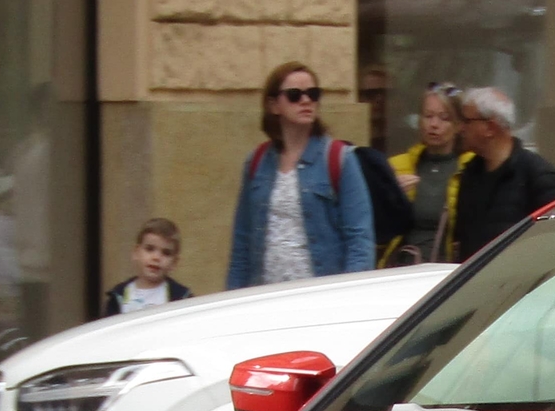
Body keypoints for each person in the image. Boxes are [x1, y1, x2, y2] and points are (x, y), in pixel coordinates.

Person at [226, 61, 375, 288]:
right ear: (274, 105)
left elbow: (360, 241)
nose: (306, 101)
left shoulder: (339, 159)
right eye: (294, 95)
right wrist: (233, 299)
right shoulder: (256, 162)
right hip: (264, 297)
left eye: (313, 94)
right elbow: (242, 243)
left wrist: (347, 296)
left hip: (321, 297)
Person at [448, 87, 555, 262]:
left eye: (467, 121)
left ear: (490, 127)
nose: (460, 129)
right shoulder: (469, 174)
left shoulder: (539, 175)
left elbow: (551, 245)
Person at [388, 85, 471, 264]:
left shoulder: (470, 168)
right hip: (402, 269)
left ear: (459, 126)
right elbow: (375, 230)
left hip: (445, 272)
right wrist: (389, 197)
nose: (434, 124)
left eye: (444, 118)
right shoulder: (398, 166)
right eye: (428, 116)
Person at [100, 218, 192, 314]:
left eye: (166, 253)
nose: (156, 258)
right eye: (150, 249)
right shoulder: (118, 296)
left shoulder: (181, 298)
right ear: (136, 252)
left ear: (174, 263)